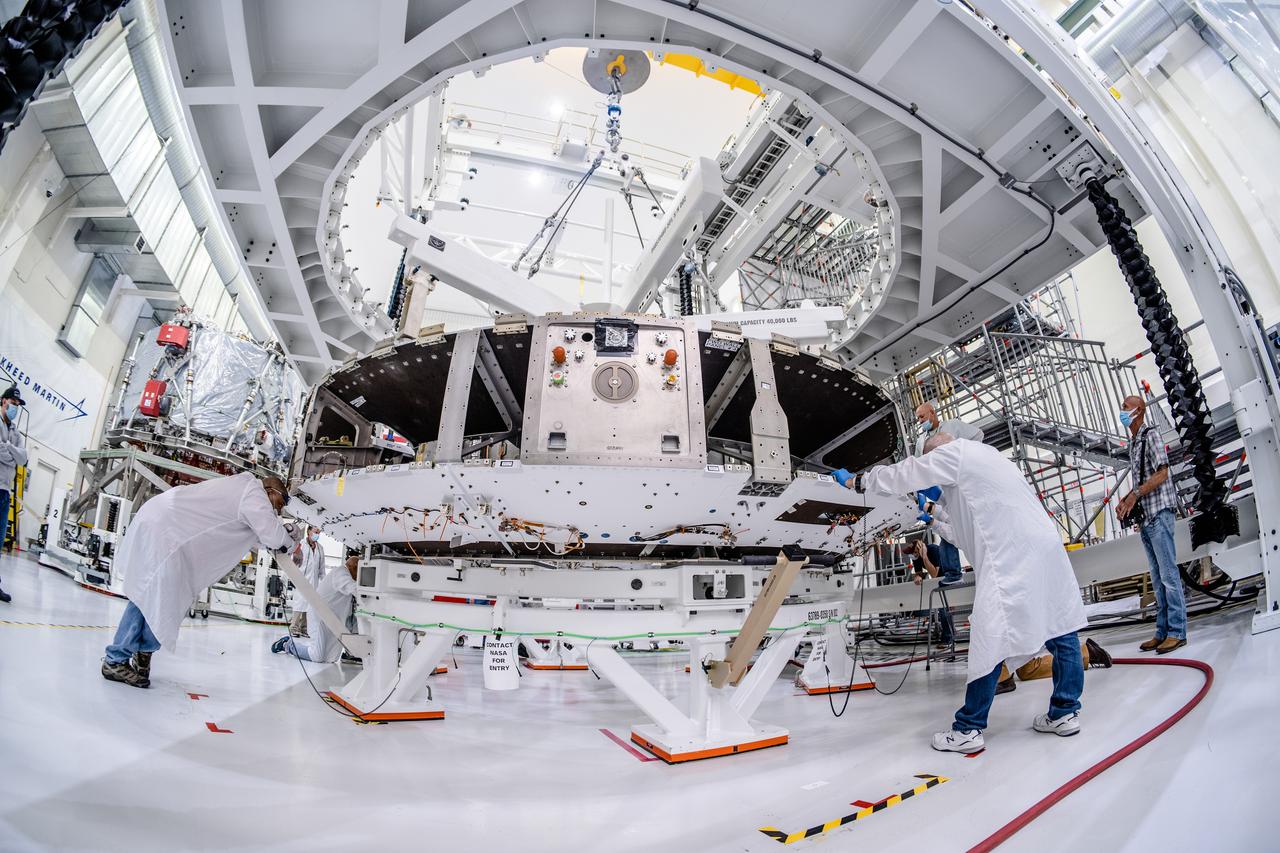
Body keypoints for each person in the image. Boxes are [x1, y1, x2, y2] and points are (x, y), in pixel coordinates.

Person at [834, 432, 1087, 753]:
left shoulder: (953, 453)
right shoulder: (989, 459)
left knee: (990, 637)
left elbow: (905, 473)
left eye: (930, 462)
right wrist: (931, 513)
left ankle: (968, 729)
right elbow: (965, 529)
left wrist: (858, 482)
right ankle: (1065, 713)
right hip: (1042, 546)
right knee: (1060, 627)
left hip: (1010, 555)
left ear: (937, 452)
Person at [101, 473, 301, 688]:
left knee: (164, 599)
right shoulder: (254, 495)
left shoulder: (245, 490)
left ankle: (143, 652)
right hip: (166, 531)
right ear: (271, 491)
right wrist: (292, 542)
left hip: (167, 528)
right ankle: (116, 659)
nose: (278, 511)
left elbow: (262, 536)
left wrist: (287, 533)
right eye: (279, 504)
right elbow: (272, 537)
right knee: (148, 595)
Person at [1115, 396, 1186, 654]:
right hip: (1147, 518)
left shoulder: (1152, 435)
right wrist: (1127, 500)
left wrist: (1135, 495)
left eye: (1126, 407)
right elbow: (1142, 482)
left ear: (1139, 411)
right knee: (1157, 579)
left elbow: (1163, 472)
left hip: (1159, 514)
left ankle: (1177, 631)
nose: (1122, 412)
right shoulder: (1135, 443)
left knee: (1168, 576)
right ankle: (1162, 630)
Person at [272, 554, 357, 663]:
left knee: (330, 658)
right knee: (317, 656)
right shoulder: (341, 572)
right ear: (353, 567)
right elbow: (353, 588)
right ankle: (287, 644)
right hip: (320, 618)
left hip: (332, 620)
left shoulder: (346, 575)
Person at [0, 386, 28, 603]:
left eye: (18, 405)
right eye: (13, 403)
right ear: (3, 401)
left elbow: (23, 458)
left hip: (4, 492)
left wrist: (8, 448)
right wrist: (10, 451)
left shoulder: (15, 433)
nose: (15, 407)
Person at [905, 539, 957, 647]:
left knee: (944, 610)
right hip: (940, 580)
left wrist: (924, 557)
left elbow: (934, 574)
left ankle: (948, 639)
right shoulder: (916, 558)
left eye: (912, 552)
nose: (911, 556)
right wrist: (918, 576)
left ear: (918, 549)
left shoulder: (933, 550)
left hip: (949, 577)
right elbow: (919, 573)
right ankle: (951, 633)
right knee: (944, 609)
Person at [289, 527, 325, 638]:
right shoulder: (301, 545)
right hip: (301, 580)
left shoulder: (320, 548)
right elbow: (293, 563)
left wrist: (324, 583)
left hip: (314, 582)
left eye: (319, 532)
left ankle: (304, 629)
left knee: (309, 606)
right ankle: (294, 628)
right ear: (309, 531)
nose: (317, 534)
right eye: (315, 532)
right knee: (299, 604)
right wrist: (292, 578)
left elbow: (321, 568)